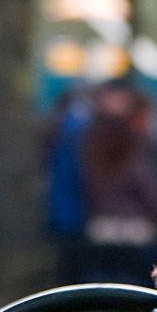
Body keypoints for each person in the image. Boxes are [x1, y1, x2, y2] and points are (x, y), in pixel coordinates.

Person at [76, 79, 157, 312]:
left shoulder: (90, 139)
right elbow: (148, 186)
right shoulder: (134, 143)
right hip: (132, 228)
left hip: (101, 224)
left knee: (98, 292)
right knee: (129, 293)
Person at [45, 86, 91, 288]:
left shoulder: (58, 127)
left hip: (63, 208)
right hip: (76, 208)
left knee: (67, 262)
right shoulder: (78, 128)